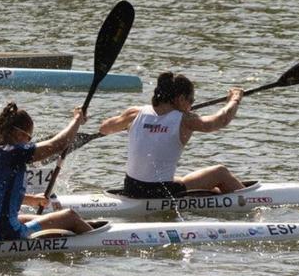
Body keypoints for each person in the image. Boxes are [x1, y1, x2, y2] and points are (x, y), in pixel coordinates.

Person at [98, 72, 245, 197]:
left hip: (132, 188)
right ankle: (250, 201)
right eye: (191, 101)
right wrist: (234, 99)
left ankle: (214, 194)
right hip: (159, 192)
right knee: (220, 172)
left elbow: (104, 129)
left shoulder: (135, 113)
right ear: (181, 99)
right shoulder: (185, 120)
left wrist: (136, 127)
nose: (191, 106)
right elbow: (219, 121)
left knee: (181, 179)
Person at [0, 103, 93, 241]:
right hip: (4, 235)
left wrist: (30, 200)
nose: (28, 143)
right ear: (18, 133)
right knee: (70, 216)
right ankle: (99, 243)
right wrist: (77, 119)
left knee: (31, 218)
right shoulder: (13, 152)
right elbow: (58, 144)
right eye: (29, 138)